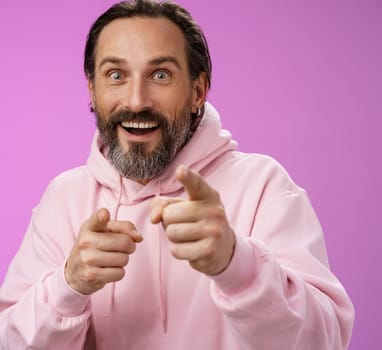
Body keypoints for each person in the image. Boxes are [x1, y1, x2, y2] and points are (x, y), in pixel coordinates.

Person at [0, 0, 354, 348]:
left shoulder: (263, 185)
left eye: (160, 75)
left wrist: (237, 263)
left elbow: (324, 342)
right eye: (116, 75)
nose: (137, 100)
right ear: (93, 89)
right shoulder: (64, 197)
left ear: (197, 91)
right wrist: (68, 285)